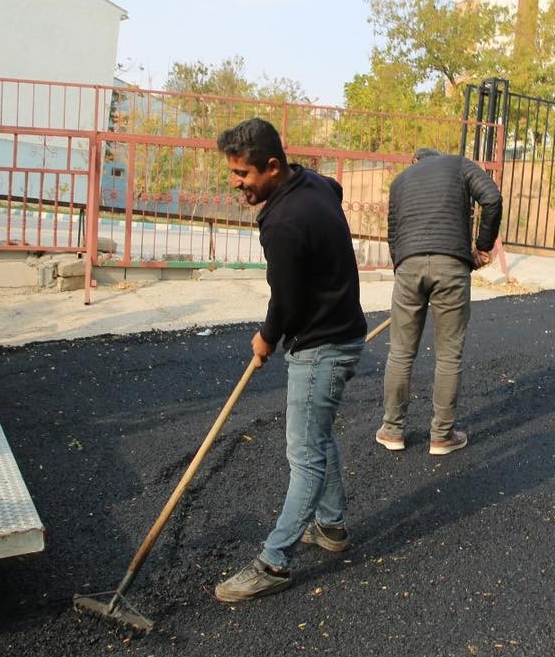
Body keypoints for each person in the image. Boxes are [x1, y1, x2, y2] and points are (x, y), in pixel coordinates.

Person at [212, 118, 367, 604]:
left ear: (273, 166)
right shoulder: (314, 182)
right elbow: (335, 189)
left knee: (304, 455)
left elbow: (287, 298)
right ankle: (331, 528)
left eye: (242, 174)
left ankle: (274, 560)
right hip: (342, 332)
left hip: (322, 346)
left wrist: (266, 336)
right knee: (317, 440)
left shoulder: (281, 223)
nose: (236, 182)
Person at [377, 147, 502, 456]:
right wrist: (483, 247)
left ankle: (392, 430)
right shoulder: (459, 165)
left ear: (415, 161)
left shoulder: (401, 180)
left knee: (401, 352)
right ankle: (442, 436)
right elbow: (492, 198)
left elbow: (393, 233)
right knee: (448, 356)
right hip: (451, 265)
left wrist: (404, 268)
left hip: (409, 266)